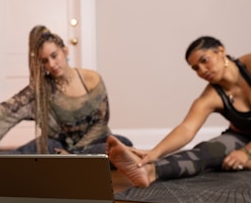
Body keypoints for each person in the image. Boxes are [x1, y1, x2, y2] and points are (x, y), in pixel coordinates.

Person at [0, 25, 132, 182]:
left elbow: (100, 123)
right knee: (21, 157)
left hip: (91, 144)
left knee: (123, 145)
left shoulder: (91, 79)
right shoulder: (40, 90)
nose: (51, 65)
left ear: (65, 51)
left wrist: (73, 154)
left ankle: (72, 163)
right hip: (57, 147)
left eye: (54, 56)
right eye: (45, 61)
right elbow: (4, 111)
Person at [106, 35, 251, 188]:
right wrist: (153, 153)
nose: (201, 70)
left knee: (239, 157)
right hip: (240, 136)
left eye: (204, 60)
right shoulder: (209, 97)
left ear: (221, 51)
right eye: (195, 68)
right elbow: (186, 129)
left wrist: (246, 152)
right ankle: (151, 171)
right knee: (205, 152)